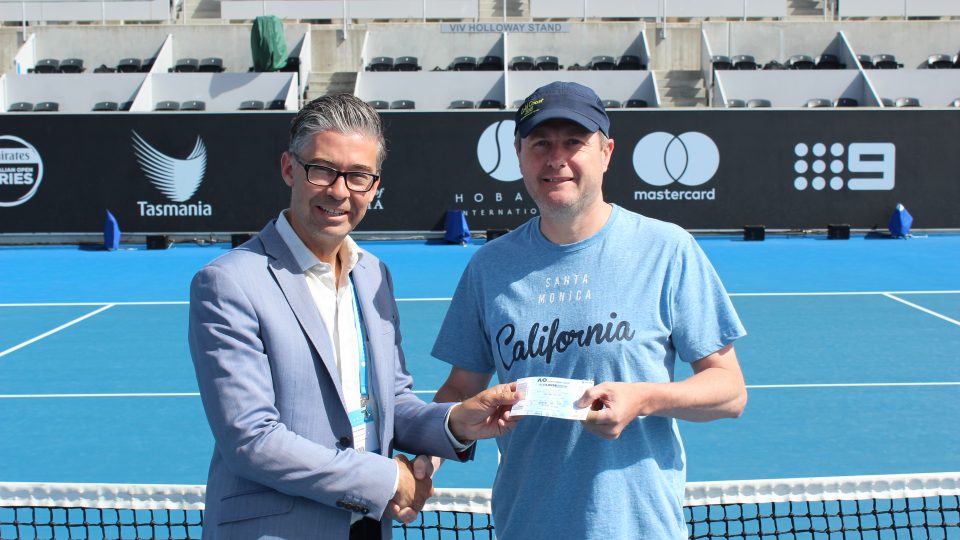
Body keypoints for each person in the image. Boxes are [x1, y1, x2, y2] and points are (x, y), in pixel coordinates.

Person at [189, 93, 520, 540]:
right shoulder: (228, 282)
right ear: (290, 168)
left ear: (375, 186)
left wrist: (455, 421)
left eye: (358, 176)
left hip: (367, 527)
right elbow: (251, 440)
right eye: (322, 170)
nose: (340, 191)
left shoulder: (374, 275)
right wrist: (386, 481)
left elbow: (392, 404)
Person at [430, 81, 748, 539]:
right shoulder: (488, 267)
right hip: (526, 527)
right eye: (540, 144)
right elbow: (461, 388)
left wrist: (644, 399)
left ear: (606, 152)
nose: (556, 158)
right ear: (520, 155)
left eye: (574, 142)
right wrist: (425, 456)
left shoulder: (668, 250)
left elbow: (730, 391)